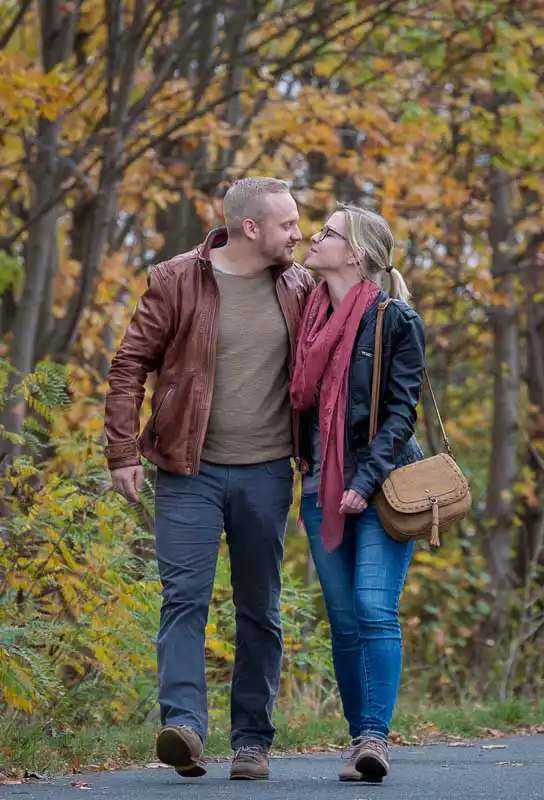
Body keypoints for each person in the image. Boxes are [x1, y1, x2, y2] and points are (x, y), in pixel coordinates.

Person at [104, 177, 314, 781]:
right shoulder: (176, 279)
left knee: (259, 609)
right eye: (288, 224)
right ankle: (186, 728)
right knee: (184, 600)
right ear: (252, 228)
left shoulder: (299, 287)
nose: (298, 234)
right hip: (187, 472)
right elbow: (129, 366)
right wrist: (122, 452)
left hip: (268, 473)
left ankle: (252, 742)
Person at [291, 203, 426, 784]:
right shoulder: (308, 317)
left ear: (357, 254)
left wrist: (362, 482)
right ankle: (357, 741)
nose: (314, 237)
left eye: (328, 232)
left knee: (374, 608)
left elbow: (402, 414)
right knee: (343, 621)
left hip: (383, 484)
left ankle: (375, 736)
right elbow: (296, 403)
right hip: (321, 483)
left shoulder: (397, 320)